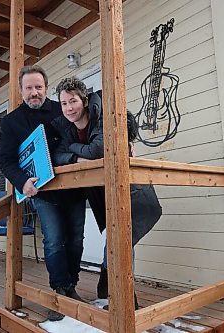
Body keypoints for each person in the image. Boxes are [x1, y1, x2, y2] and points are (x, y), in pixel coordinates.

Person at [51, 77, 162, 309]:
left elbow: (98, 150)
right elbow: (56, 156)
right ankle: (113, 288)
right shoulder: (65, 127)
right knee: (118, 237)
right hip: (103, 191)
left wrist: (75, 151)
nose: (69, 108)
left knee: (122, 237)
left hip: (130, 186)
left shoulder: (102, 114)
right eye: (63, 103)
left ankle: (119, 294)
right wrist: (75, 157)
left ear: (84, 100)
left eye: (73, 101)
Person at [0, 66, 86, 321]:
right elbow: (5, 160)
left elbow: (92, 125)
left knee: (76, 240)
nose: (34, 92)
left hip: (74, 188)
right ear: (21, 90)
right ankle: (59, 290)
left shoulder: (63, 109)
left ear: (46, 88)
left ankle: (71, 286)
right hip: (43, 192)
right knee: (54, 239)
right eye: (29, 88)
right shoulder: (12, 121)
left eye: (38, 87)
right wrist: (21, 181)